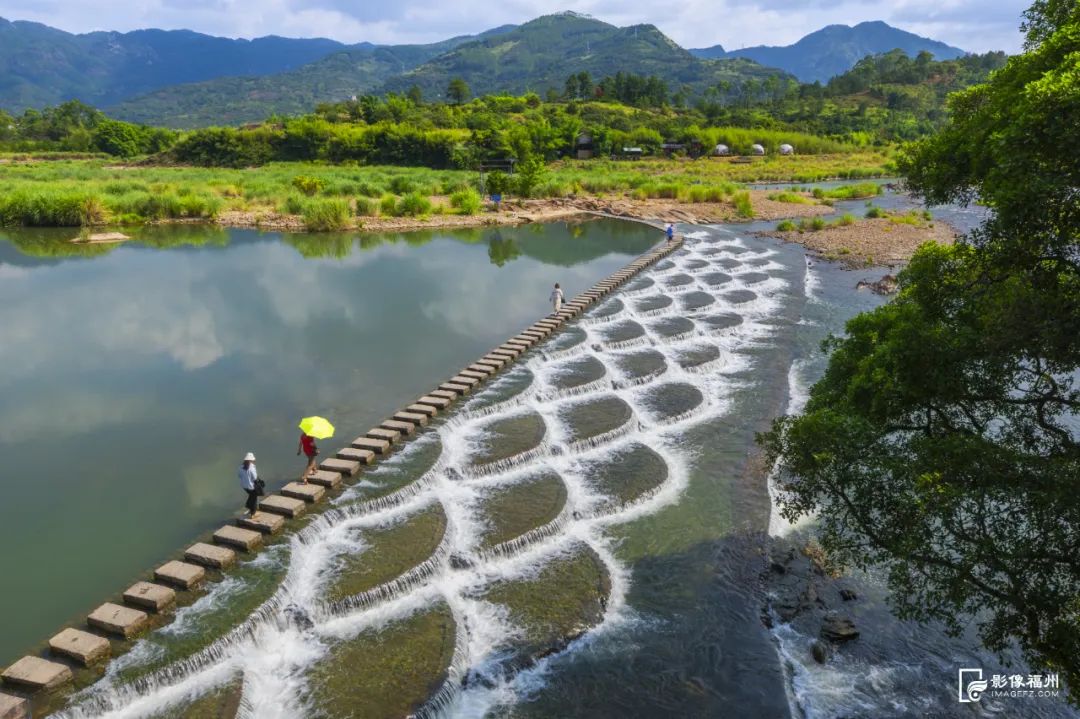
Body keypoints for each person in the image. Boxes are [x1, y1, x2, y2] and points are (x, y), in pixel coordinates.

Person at [238, 452, 259, 517]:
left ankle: (249, 508)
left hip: (244, 486)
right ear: (251, 460)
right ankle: (253, 513)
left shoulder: (240, 467)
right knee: (254, 498)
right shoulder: (252, 468)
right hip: (251, 487)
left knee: (251, 496)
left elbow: (239, 476)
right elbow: (255, 478)